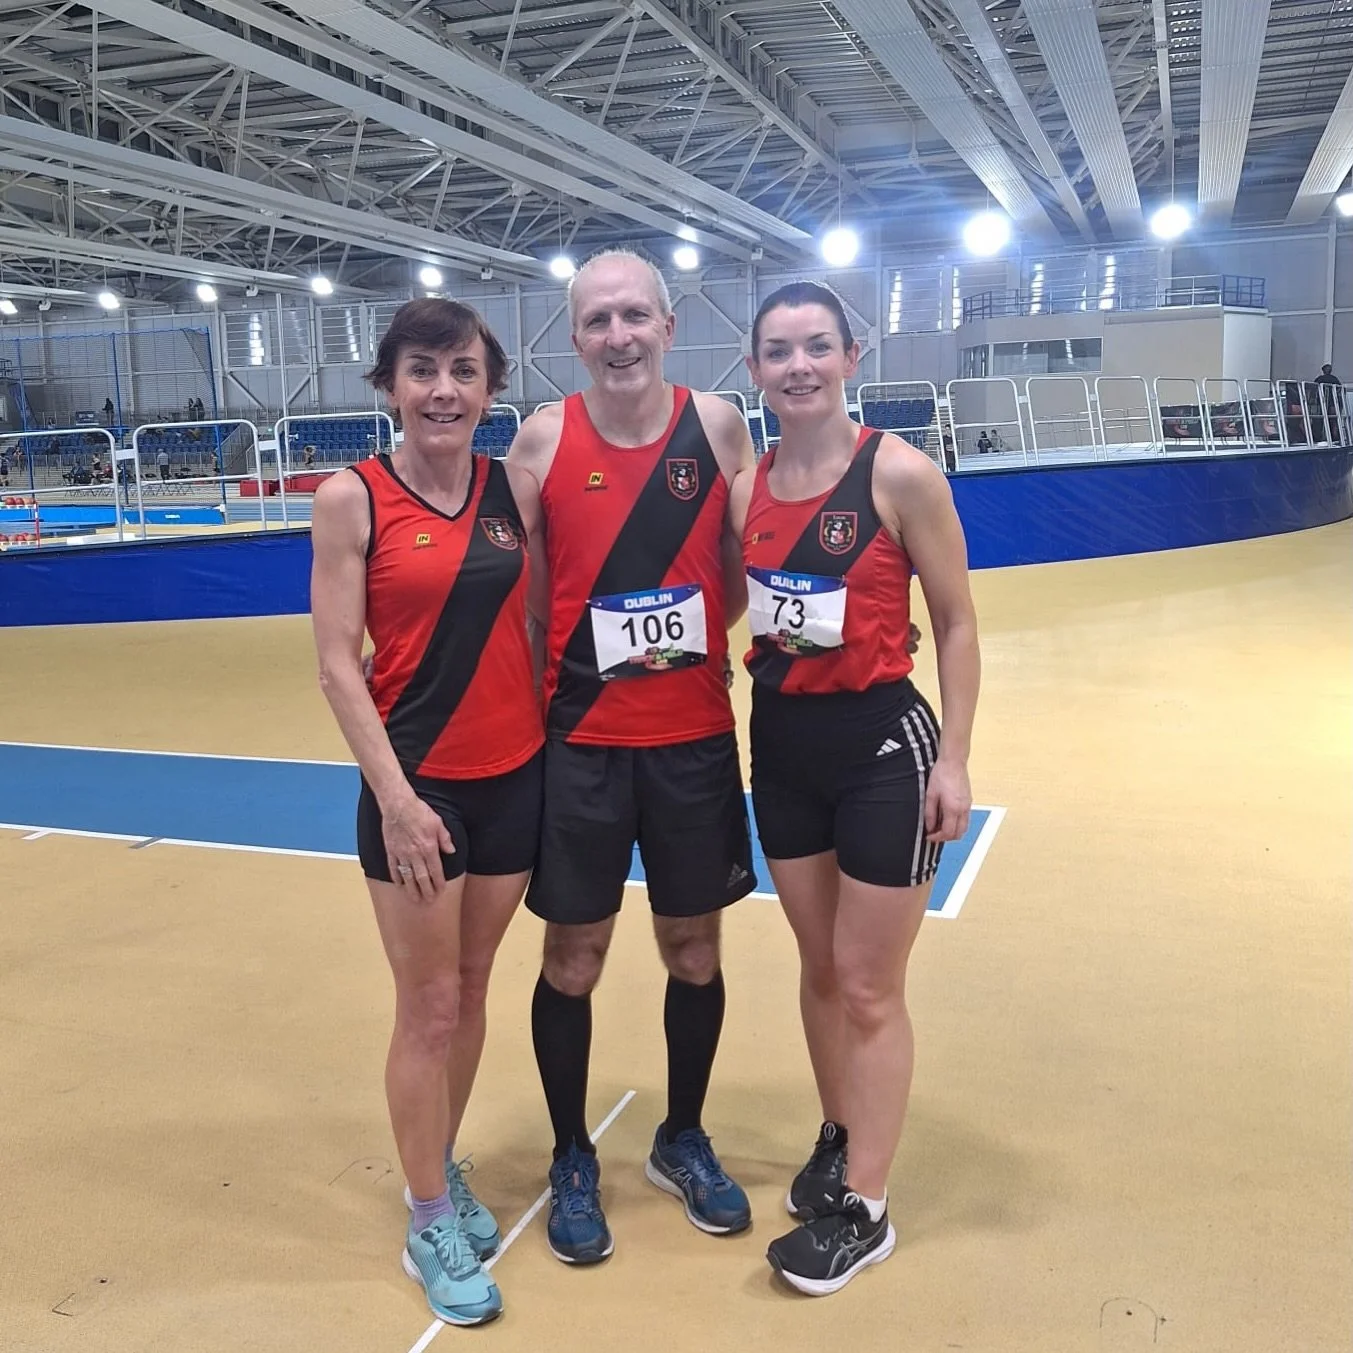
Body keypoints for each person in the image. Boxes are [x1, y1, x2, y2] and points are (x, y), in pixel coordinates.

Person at [506, 249, 758, 1265]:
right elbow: (527, 603)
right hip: (583, 749)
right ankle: (572, 1154)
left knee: (694, 951)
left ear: (667, 323)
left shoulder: (722, 427)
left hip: (694, 740)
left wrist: (687, 650)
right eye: (598, 320)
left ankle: (680, 1137)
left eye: (634, 316)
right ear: (575, 337)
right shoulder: (539, 443)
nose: (618, 336)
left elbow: (740, 571)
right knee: (574, 958)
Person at [731, 280, 980, 1296]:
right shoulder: (744, 489)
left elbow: (957, 623)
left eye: (816, 347)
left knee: (871, 984)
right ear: (753, 370)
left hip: (885, 748)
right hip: (782, 750)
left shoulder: (900, 474)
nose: (797, 365)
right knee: (821, 967)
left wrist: (955, 757)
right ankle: (840, 1138)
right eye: (778, 350)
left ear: (851, 358)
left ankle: (865, 1212)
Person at [310, 297, 546, 1326]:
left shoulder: (515, 490)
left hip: (516, 776)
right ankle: (425, 1216)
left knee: (479, 980)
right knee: (429, 1005)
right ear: (390, 385)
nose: (443, 390)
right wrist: (396, 800)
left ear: (490, 389)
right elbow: (334, 664)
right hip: (419, 792)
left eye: (462, 371)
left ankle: (438, 1166)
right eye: (421, 370)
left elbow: (548, 619)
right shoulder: (349, 498)